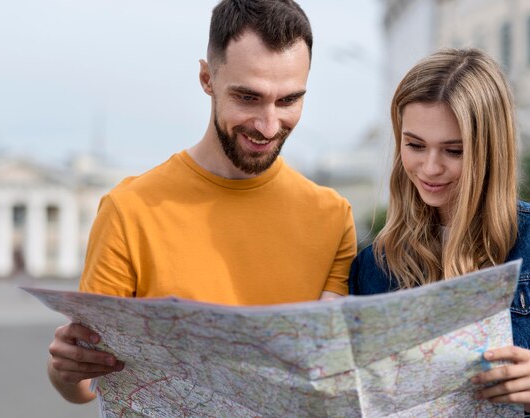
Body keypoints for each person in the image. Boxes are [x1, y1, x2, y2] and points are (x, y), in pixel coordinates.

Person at [47, 0, 357, 404]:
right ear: (206, 78)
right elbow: (87, 386)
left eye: (288, 101)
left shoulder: (332, 217)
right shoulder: (130, 210)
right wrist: (64, 371)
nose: (268, 125)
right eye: (248, 97)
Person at [349, 48, 530, 417]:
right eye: (414, 145)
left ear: (490, 150)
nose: (430, 167)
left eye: (454, 151)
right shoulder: (372, 265)